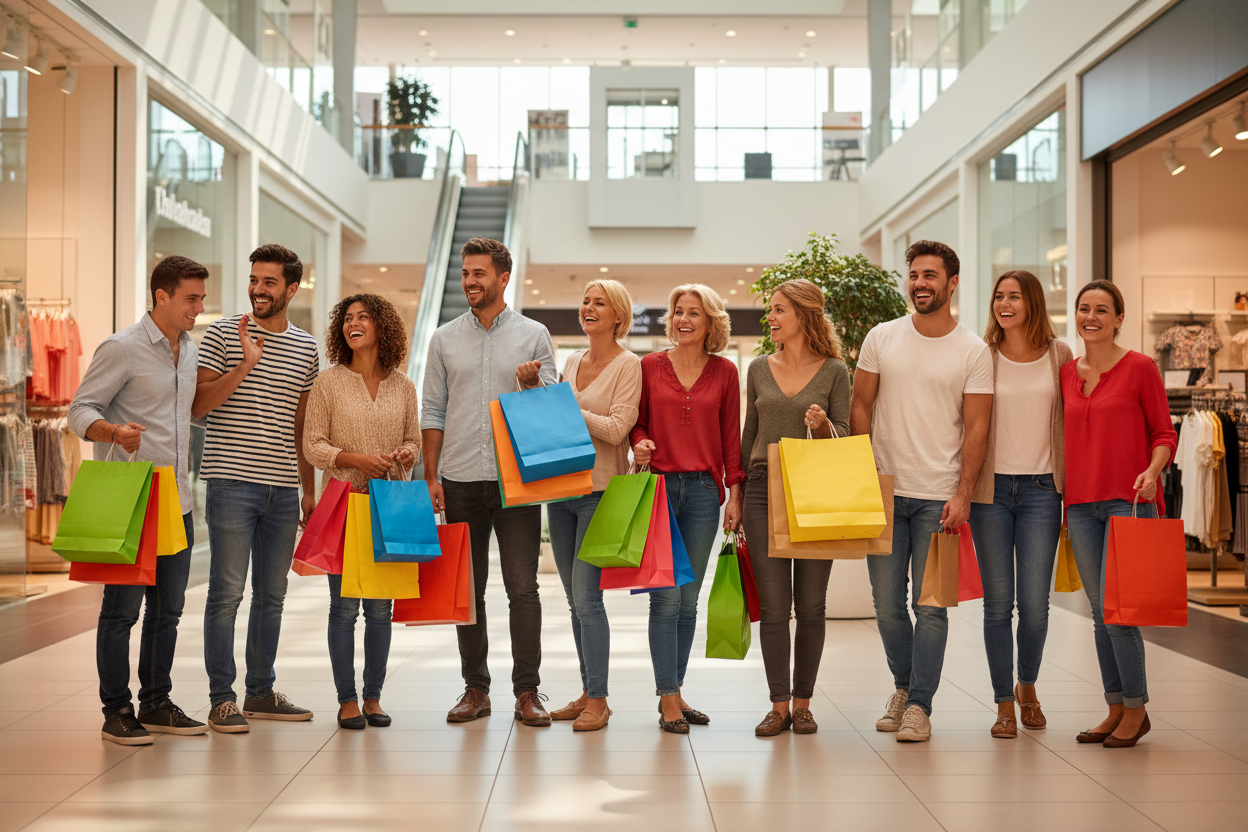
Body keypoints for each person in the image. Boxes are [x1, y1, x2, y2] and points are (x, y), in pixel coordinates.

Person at [850, 240, 993, 743]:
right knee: (887, 604)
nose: (920, 284)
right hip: (884, 491)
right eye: (914, 275)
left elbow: (977, 428)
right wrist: (865, 468)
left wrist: (964, 492)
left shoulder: (973, 350)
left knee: (930, 606)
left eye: (930, 276)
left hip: (939, 498)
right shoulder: (881, 337)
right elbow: (861, 405)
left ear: (952, 283)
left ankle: (919, 706)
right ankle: (904, 687)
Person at [68, 255, 208, 745]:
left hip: (178, 500)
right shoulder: (121, 348)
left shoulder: (189, 348)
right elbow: (78, 410)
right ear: (162, 296)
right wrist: (111, 430)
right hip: (132, 499)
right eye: (191, 298)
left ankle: (156, 703)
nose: (198, 307)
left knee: (168, 611)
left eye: (202, 298)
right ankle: (116, 710)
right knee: (121, 612)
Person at [422, 237, 558, 727]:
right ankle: (475, 688)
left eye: (479, 274)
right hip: (458, 477)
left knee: (523, 588)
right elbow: (433, 410)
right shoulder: (443, 339)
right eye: (465, 273)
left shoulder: (534, 335)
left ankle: (528, 693)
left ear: (503, 277)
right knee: (468, 588)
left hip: (514, 481)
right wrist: (430, 473)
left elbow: (551, 407)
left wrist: (528, 385)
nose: (470, 281)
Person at [194, 244, 321, 733]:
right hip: (231, 483)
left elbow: (301, 425)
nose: (258, 289)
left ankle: (261, 691)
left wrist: (307, 489)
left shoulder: (307, 348)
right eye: (254, 279)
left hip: (284, 490)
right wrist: (244, 364)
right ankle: (222, 698)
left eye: (269, 282)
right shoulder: (224, 334)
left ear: (291, 289)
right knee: (226, 595)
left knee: (272, 596)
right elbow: (199, 406)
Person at [1063, 280, 1176, 748]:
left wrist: (1152, 471)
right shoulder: (1067, 373)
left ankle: (1137, 708)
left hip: (1128, 501)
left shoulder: (1140, 368)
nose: (1091, 317)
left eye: (1102, 310)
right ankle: (1115, 707)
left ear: (1118, 318)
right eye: (1084, 308)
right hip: (1081, 505)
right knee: (1098, 611)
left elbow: (1165, 434)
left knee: (1120, 614)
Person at [631, 283, 745, 734]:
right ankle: (669, 697)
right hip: (657, 489)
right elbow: (637, 419)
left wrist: (734, 493)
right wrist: (640, 441)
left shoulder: (726, 372)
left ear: (710, 321)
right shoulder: (648, 366)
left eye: (693, 313)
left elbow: (730, 440)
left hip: (702, 492)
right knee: (666, 599)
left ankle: (674, 691)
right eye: (678, 311)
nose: (683, 319)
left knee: (689, 600)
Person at [304, 294, 421, 730]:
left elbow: (414, 439)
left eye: (363, 317)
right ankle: (346, 699)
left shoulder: (404, 385)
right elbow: (312, 445)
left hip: (388, 507)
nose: (354, 324)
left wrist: (407, 452)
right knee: (344, 608)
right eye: (348, 319)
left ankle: (373, 697)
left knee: (380, 609)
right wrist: (355, 459)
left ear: (381, 327)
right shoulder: (328, 383)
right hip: (345, 505)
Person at [739, 279, 850, 737]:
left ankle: (803, 704)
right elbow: (749, 437)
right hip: (763, 489)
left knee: (811, 605)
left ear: (804, 314)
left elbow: (845, 435)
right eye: (771, 310)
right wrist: (736, 496)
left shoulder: (835, 371)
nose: (771, 318)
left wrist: (823, 425)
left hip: (813, 491)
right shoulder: (758, 369)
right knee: (774, 605)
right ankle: (778, 705)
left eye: (779, 310)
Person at [969, 270, 1074, 739]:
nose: (1004, 304)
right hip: (990, 493)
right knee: (997, 605)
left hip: (1042, 491)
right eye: (998, 296)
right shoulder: (982, 356)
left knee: (1034, 605)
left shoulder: (1060, 355)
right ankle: (1004, 703)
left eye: (1013, 296)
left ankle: (1027, 684)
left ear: (1032, 302)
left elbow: (1077, 423)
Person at [547, 279, 641, 733]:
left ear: (617, 316)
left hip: (600, 492)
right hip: (561, 492)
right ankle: (587, 690)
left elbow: (618, 429)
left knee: (588, 598)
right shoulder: (571, 360)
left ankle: (600, 700)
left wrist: (565, 406)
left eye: (599, 302)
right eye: (585, 300)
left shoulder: (629, 365)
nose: (588, 307)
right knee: (572, 599)